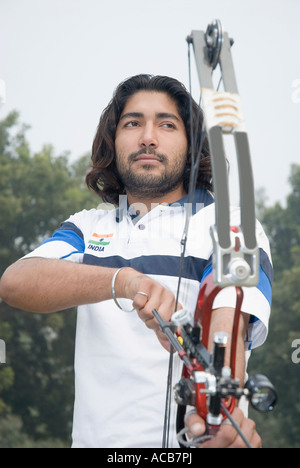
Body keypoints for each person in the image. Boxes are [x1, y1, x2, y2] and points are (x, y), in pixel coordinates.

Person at [0, 74, 272, 448]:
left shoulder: (229, 226)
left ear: (192, 144)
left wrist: (214, 410)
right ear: (113, 140)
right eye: (132, 123)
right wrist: (124, 281)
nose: (148, 136)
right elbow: (16, 282)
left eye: (167, 124)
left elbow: (229, 330)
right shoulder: (87, 226)